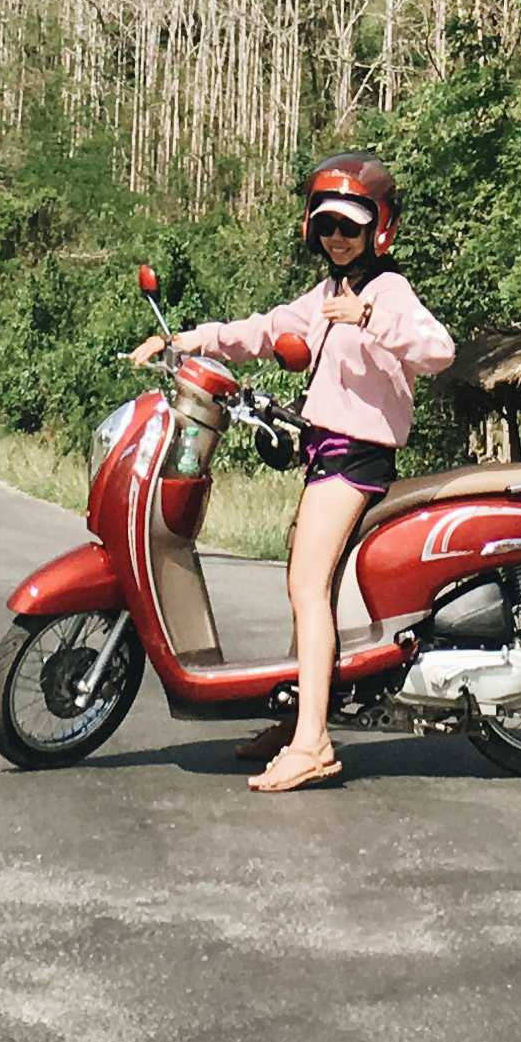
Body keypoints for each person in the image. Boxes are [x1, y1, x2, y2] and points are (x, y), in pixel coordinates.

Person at [134, 153, 454, 794]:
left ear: (377, 231)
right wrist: (182, 342)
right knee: (310, 587)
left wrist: (369, 318)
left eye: (351, 227)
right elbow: (263, 329)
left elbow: (439, 351)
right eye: (328, 225)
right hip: (325, 452)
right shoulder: (327, 293)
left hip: (354, 459)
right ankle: (292, 718)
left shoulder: (384, 290)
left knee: (308, 588)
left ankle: (313, 743)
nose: (338, 237)